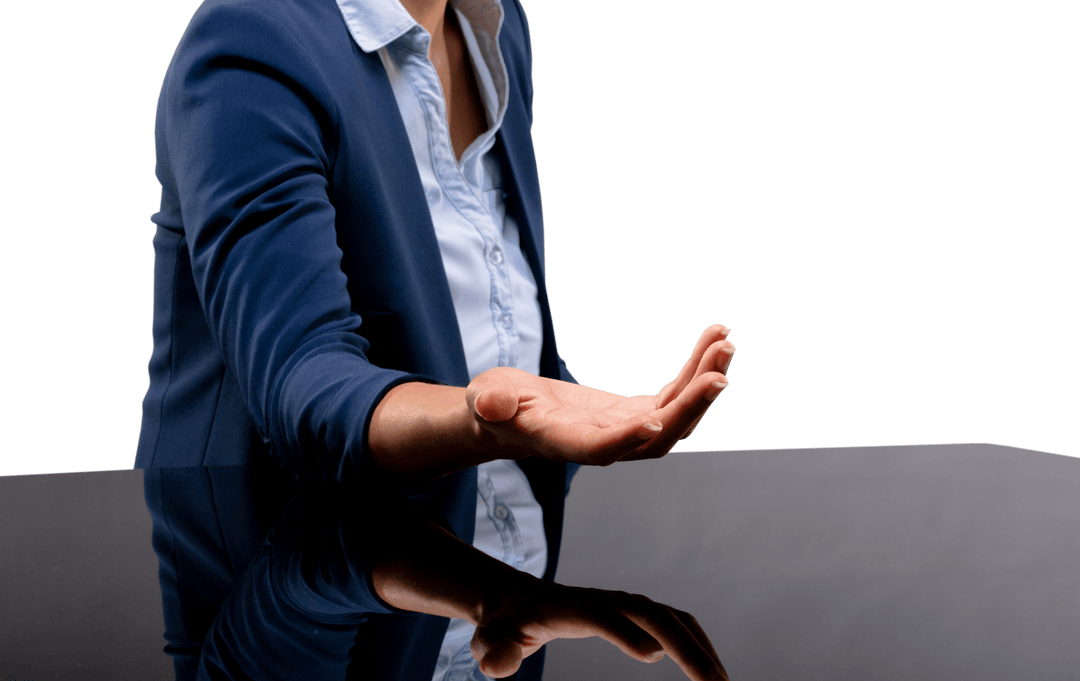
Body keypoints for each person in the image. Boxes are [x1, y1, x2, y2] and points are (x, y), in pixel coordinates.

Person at [136, 0, 735, 678]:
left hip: (474, 576)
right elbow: (303, 379)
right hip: (278, 564)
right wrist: (489, 421)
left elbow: (481, 313)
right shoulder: (248, 47)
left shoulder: (494, 26)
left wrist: (549, 412)